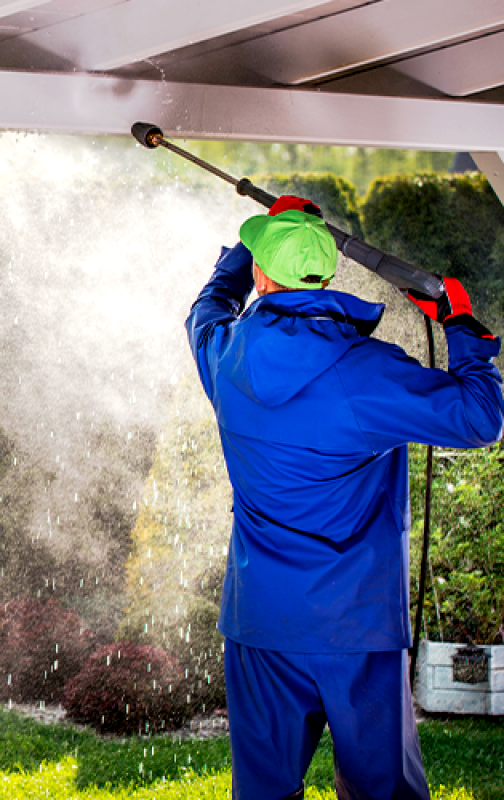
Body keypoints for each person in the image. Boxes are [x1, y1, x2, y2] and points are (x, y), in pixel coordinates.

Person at [185, 195, 504, 800]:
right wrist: (462, 327)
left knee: (264, 792)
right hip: (355, 626)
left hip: (262, 621)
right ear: (328, 275)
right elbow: (482, 416)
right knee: (383, 793)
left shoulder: (225, 357)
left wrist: (249, 245)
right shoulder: (369, 372)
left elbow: (206, 308)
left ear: (261, 275)